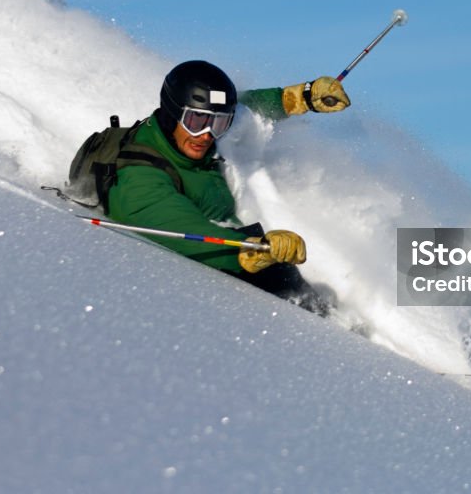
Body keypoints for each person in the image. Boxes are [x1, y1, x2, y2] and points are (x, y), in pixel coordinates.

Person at [106, 60, 350, 314]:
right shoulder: (141, 177)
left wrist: (302, 96)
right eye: (196, 121)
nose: (207, 134)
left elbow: (249, 109)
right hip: (213, 273)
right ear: (171, 113)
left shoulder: (192, 142)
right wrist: (253, 250)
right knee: (280, 275)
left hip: (235, 238)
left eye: (219, 123)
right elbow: (185, 231)